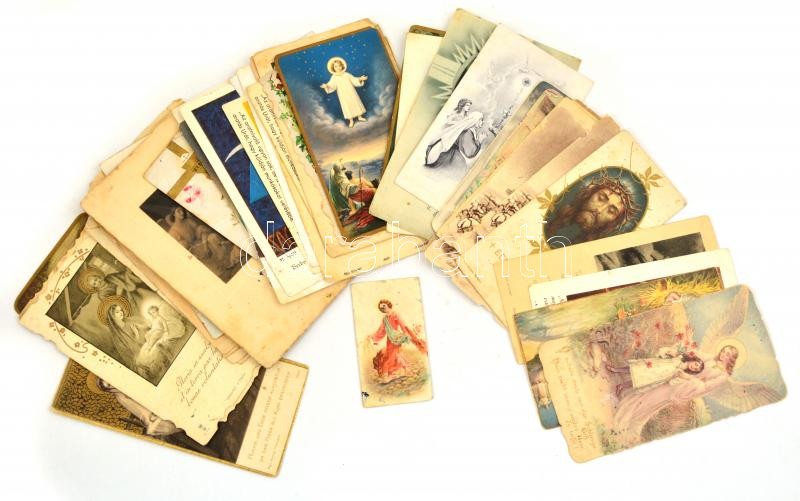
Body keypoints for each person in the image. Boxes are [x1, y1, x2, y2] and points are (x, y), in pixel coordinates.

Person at [369, 299, 427, 381]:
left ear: (388, 305)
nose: (383, 309)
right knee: (394, 355)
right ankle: (407, 370)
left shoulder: (395, 315)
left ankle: (386, 375)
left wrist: (406, 334)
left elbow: (402, 325)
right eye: (381, 308)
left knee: (390, 357)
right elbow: (381, 330)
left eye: (384, 306)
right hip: (389, 340)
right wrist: (373, 336)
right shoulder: (384, 319)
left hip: (396, 339)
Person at [424, 99, 486, 171]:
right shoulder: (467, 132)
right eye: (481, 120)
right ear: (475, 121)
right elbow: (469, 153)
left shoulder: (468, 128)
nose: (482, 122)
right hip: (449, 156)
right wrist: (479, 141)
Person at [320, 57, 368, 128]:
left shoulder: (346, 74)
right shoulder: (334, 77)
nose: (338, 67)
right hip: (343, 94)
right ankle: (351, 120)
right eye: (336, 66)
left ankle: (359, 116)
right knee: (347, 105)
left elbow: (354, 79)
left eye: (339, 65)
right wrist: (326, 86)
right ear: (333, 68)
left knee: (355, 102)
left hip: (351, 92)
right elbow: (331, 85)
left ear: (342, 66)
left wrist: (360, 79)